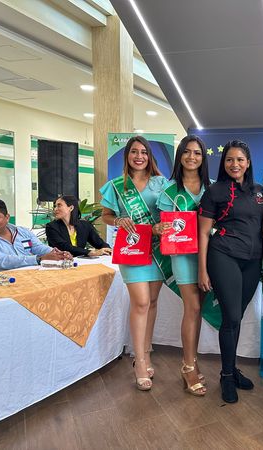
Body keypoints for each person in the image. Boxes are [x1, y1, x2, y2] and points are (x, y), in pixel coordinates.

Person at [100, 136, 171, 391]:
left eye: (143, 152)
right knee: (140, 302)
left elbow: (170, 211)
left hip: (156, 250)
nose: (139, 157)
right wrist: (118, 221)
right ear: (127, 156)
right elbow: (106, 215)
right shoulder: (116, 185)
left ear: (149, 156)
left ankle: (146, 352)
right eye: (134, 152)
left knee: (152, 302)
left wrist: (162, 225)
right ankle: (139, 360)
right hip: (132, 249)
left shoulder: (161, 183)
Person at [198, 140, 263, 404]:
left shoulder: (259, 191)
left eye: (240, 159)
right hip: (223, 255)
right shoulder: (215, 191)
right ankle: (226, 375)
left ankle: (232, 368)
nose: (234, 164)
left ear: (248, 163)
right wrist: (202, 270)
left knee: (237, 318)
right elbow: (204, 232)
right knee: (231, 316)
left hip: (253, 261)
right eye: (229, 159)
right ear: (223, 163)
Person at [157, 135, 211, 396]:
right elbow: (163, 225)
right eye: (187, 152)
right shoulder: (169, 191)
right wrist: (160, 228)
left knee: (198, 309)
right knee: (193, 307)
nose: (192, 157)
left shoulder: (212, 188)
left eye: (197, 153)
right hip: (183, 255)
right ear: (179, 156)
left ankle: (193, 360)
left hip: (209, 256)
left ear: (203, 158)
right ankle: (188, 366)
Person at [0, 198, 72, 273]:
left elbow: (39, 247)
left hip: (30, 277)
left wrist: (59, 254)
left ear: (7, 217)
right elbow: (0, 260)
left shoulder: (22, 232)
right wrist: (38, 259)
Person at [45, 195, 111, 257]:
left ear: (71, 208)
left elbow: (99, 243)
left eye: (59, 206)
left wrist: (107, 249)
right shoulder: (51, 227)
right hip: (61, 262)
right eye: (55, 206)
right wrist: (90, 252)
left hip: (80, 262)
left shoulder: (85, 225)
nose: (55, 209)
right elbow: (63, 247)